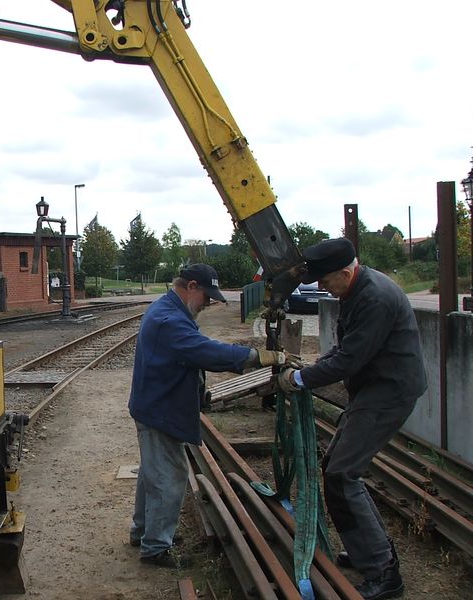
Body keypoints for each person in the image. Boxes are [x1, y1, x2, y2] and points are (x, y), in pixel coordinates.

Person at [277, 238, 426, 600]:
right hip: (374, 388)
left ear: (346, 272)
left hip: (388, 393)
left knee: (343, 474)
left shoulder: (375, 297)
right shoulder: (356, 289)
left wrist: (299, 379)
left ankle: (383, 572)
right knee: (337, 468)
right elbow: (346, 350)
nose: (321, 287)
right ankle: (369, 552)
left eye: (325, 281)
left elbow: (349, 358)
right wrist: (312, 370)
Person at [128, 264, 295, 568]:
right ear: (192, 286)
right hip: (160, 410)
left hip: (157, 405)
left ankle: (144, 532)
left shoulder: (170, 309)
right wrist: (256, 357)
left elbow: (191, 354)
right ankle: (155, 548)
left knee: (153, 473)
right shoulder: (170, 320)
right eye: (207, 296)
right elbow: (204, 352)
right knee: (170, 476)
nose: (208, 303)